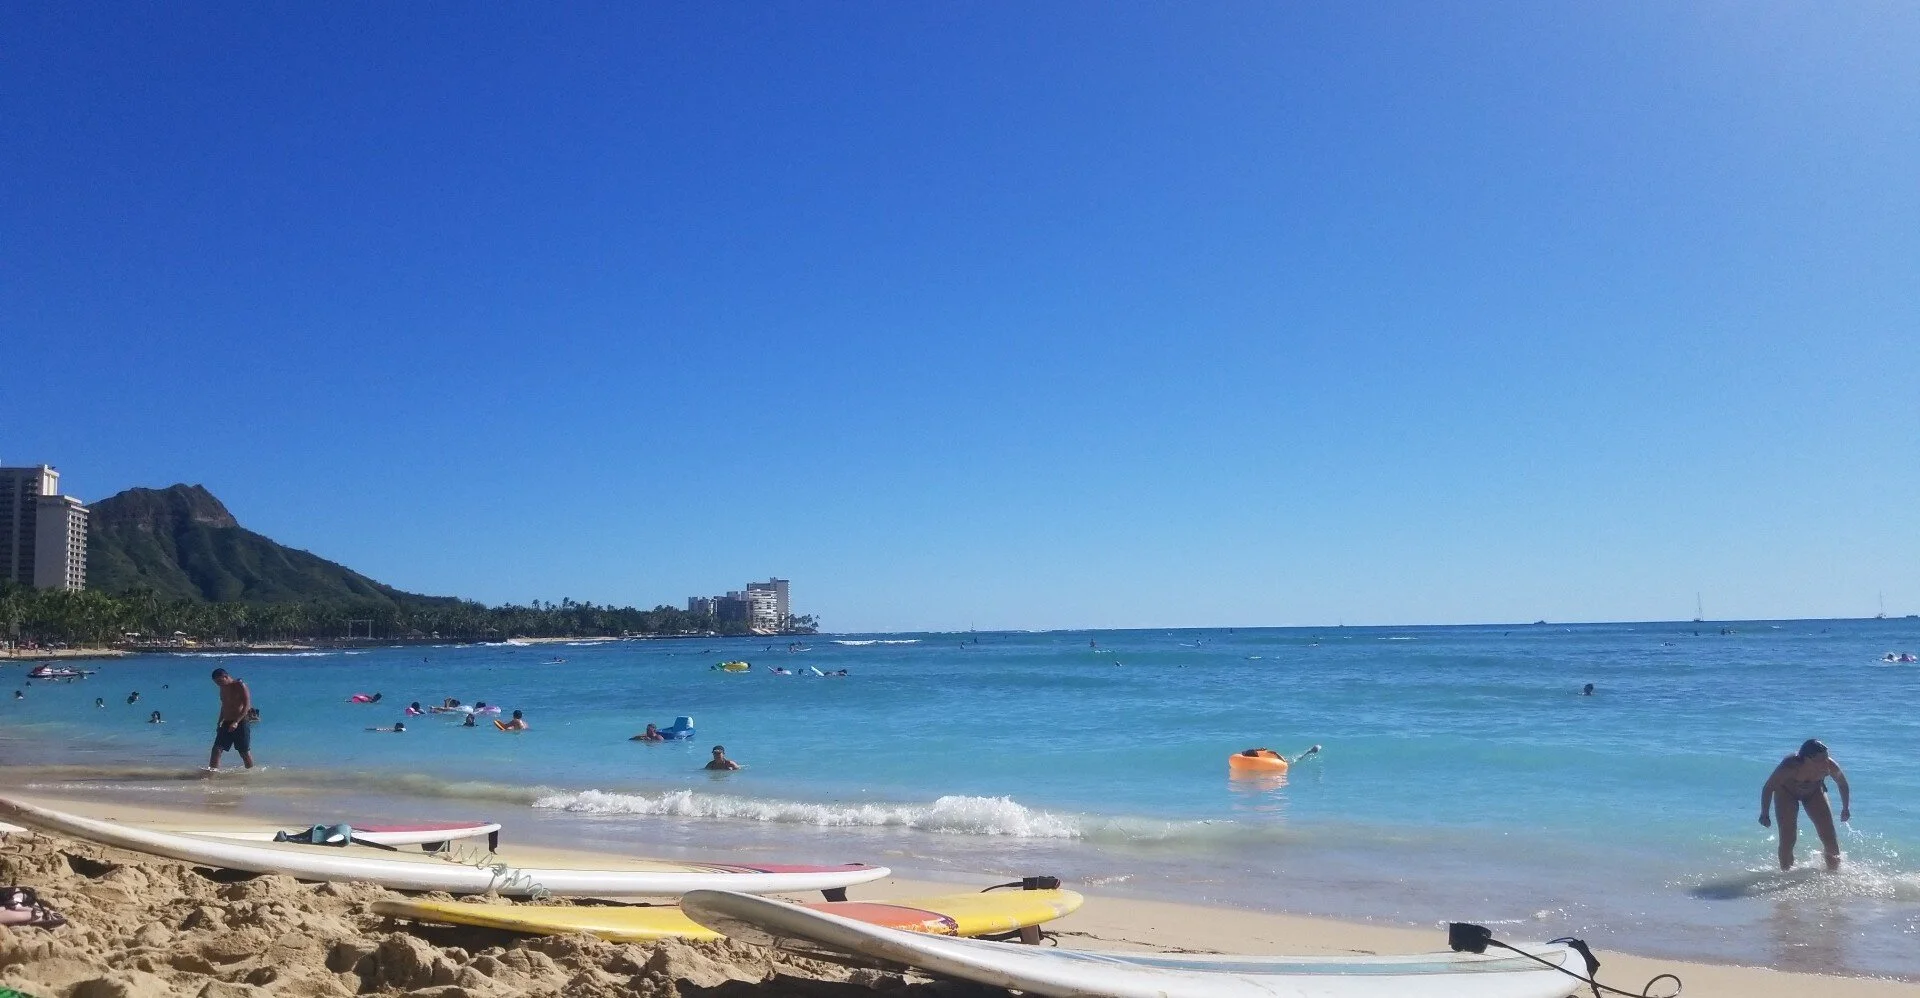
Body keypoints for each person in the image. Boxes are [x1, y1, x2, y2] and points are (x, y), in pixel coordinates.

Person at [1760, 739, 1851, 871]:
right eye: (1822, 760)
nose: (1827, 763)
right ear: (1808, 759)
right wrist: (1765, 813)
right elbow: (1768, 788)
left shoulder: (1830, 765)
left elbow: (1842, 783)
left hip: (1814, 792)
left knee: (1829, 836)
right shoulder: (1789, 767)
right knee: (1788, 838)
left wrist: (1845, 808)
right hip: (1786, 793)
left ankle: (1833, 874)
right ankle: (1786, 874)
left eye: (1827, 757)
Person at [208, 668, 254, 770]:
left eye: (220, 681)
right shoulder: (222, 688)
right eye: (216, 683)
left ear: (226, 676)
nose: (219, 684)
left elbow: (247, 705)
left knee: (244, 752)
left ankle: (251, 774)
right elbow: (224, 706)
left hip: (241, 721)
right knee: (216, 749)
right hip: (226, 722)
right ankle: (212, 774)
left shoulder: (240, 685)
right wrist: (219, 722)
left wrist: (236, 722)